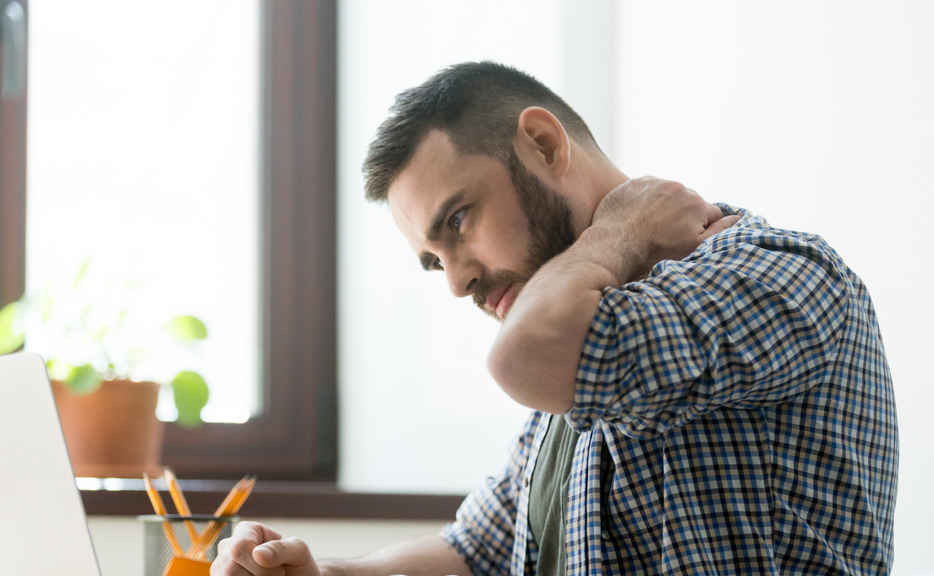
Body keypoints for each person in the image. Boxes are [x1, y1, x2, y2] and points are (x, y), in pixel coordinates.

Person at [211, 62, 897, 575]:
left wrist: (616, 232)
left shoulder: (777, 272)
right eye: (433, 260)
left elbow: (526, 356)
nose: (458, 281)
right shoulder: (569, 371)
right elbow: (472, 553)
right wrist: (321, 574)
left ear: (543, 143)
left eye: (459, 220)